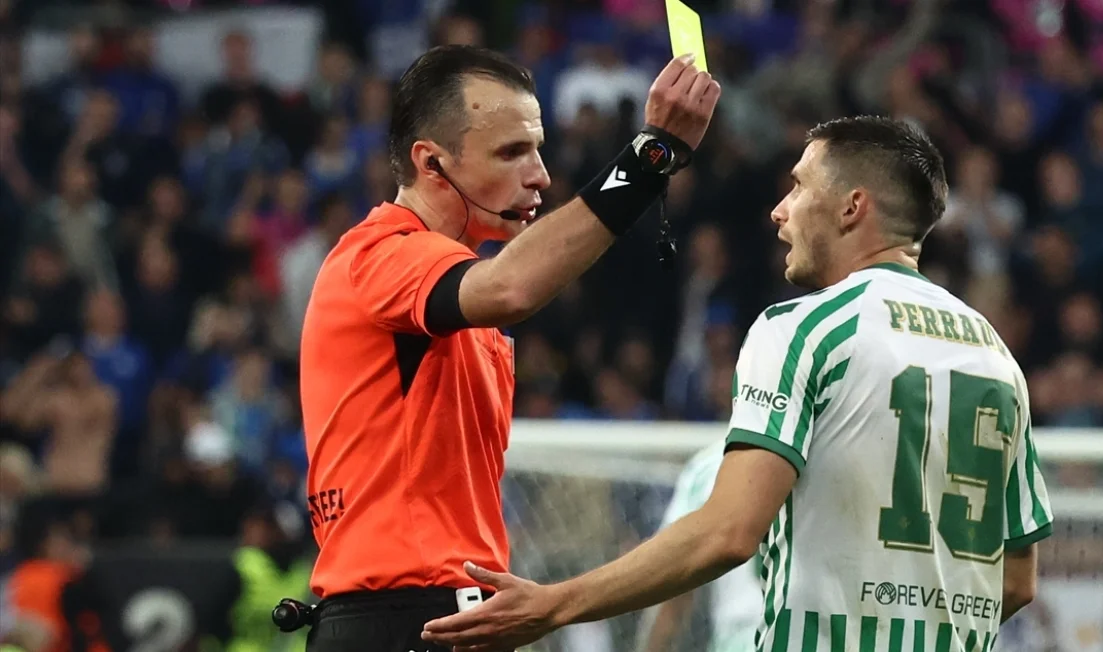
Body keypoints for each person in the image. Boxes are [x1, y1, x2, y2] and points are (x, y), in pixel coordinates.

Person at [421, 116, 1055, 651]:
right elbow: (1018, 581)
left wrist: (555, 604)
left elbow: (728, 532)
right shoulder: (996, 355)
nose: (779, 210)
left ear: (852, 206)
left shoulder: (804, 329)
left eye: (799, 187)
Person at [293, 44, 720, 651]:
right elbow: (512, 286)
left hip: (452, 620)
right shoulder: (378, 256)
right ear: (432, 163)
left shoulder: (454, 288)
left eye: (538, 148)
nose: (540, 174)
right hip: (402, 621)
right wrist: (650, 157)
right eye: (512, 151)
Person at [639, 438, 761, 652]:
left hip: (739, 635)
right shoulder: (825, 453)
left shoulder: (711, 465)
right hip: (817, 632)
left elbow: (675, 579)